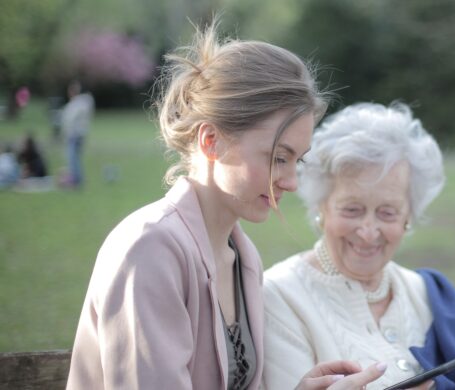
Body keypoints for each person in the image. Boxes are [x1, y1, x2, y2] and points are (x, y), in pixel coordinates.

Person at [67, 22, 387, 390]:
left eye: (296, 160)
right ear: (211, 140)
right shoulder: (149, 250)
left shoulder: (243, 255)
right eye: (277, 158)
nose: (291, 182)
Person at [262, 103, 455, 389]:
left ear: (408, 218)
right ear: (321, 207)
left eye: (387, 213)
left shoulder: (429, 295)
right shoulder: (278, 297)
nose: (367, 231)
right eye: (352, 209)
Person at [60, 79, 94, 187]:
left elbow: (70, 120)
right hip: (78, 134)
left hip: (75, 135)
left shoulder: (79, 104)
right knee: (74, 158)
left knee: (73, 158)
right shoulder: (80, 103)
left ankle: (76, 180)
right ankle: (76, 179)